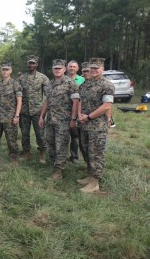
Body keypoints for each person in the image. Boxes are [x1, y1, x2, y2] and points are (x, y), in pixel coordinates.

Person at [77, 58, 114, 193]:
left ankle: (95, 182)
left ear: (102, 69)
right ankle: (90, 175)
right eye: (92, 68)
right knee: (86, 151)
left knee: (96, 154)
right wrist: (80, 115)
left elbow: (106, 106)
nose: (93, 70)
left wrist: (89, 117)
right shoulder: (86, 84)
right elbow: (81, 100)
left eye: (96, 68)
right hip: (84, 125)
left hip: (97, 126)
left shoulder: (107, 85)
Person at [39, 60, 79, 180]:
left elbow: (76, 102)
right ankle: (54, 165)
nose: (57, 70)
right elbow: (47, 101)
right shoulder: (49, 85)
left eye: (59, 68)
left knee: (61, 145)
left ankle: (59, 171)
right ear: (52, 69)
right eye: (55, 68)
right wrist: (42, 116)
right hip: (51, 120)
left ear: (64, 69)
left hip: (64, 121)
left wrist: (73, 119)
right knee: (50, 143)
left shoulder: (70, 84)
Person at [18, 55, 49, 163]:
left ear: (36, 64)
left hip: (38, 111)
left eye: (33, 63)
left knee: (40, 134)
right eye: (29, 63)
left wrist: (44, 112)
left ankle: (42, 153)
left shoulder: (43, 78)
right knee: (25, 134)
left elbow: (48, 95)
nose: (31, 65)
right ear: (27, 64)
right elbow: (18, 95)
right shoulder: (21, 78)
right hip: (24, 111)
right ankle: (27, 153)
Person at [0, 62, 22, 164]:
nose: (5, 71)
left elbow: (19, 100)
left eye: (7, 69)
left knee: (11, 139)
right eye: (3, 69)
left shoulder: (15, 84)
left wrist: (17, 115)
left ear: (11, 71)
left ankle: (14, 157)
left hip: (10, 116)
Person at [66, 60, 85, 163]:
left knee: (75, 135)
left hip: (77, 111)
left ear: (77, 69)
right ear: (67, 68)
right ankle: (61, 156)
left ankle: (74, 156)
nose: (72, 68)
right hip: (63, 111)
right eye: (70, 66)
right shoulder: (62, 79)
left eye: (74, 67)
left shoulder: (82, 80)